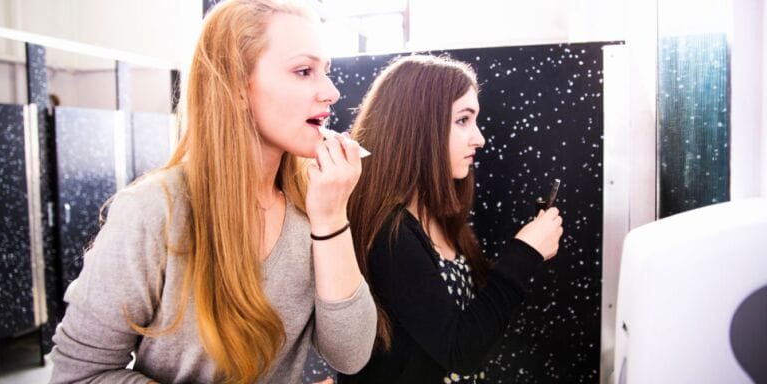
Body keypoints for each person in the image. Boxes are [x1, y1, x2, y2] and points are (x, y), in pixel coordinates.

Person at [49, 0, 377, 382]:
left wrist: (332, 218)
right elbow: (79, 375)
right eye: (304, 71)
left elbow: (351, 355)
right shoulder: (153, 211)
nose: (332, 91)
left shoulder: (313, 203)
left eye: (327, 71)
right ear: (236, 85)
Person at [338, 55, 564, 383]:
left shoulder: (437, 217)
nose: (480, 138)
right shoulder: (390, 234)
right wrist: (523, 254)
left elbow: (476, 319)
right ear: (417, 125)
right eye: (463, 120)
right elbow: (462, 351)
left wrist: (529, 251)